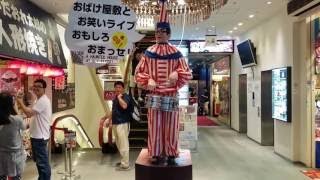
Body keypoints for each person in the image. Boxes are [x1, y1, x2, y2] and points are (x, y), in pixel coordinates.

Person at [135, 0, 192, 165]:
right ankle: (155, 152)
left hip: (171, 94)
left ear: (169, 34)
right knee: (154, 125)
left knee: (171, 125)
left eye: (163, 31)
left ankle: (171, 151)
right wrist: (148, 79)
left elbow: (187, 73)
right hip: (154, 95)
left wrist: (176, 72)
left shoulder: (176, 52)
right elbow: (138, 72)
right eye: (157, 31)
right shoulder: (149, 52)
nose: (159, 34)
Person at [16, 79, 52, 180]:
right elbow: (32, 114)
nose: (36, 88)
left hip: (39, 137)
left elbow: (29, 113)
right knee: (40, 163)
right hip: (37, 136)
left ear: (44, 88)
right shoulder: (39, 99)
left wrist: (19, 101)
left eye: (39, 86)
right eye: (35, 86)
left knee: (42, 164)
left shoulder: (43, 101)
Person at [101, 81, 131, 170]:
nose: (117, 89)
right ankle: (123, 160)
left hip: (123, 123)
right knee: (118, 143)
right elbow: (113, 111)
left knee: (123, 143)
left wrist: (119, 98)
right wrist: (108, 120)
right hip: (115, 122)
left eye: (119, 87)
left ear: (123, 88)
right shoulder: (115, 99)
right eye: (116, 87)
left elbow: (125, 106)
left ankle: (126, 164)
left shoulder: (126, 97)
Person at [0, 92, 26, 180]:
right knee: (15, 177)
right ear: (11, 103)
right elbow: (24, 127)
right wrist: (15, 108)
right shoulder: (16, 120)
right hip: (14, 156)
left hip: (1, 155)